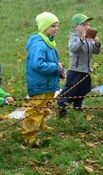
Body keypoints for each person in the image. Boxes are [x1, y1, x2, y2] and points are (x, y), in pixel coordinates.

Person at [22, 12, 63, 145]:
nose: (56, 28)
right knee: (35, 110)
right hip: (39, 84)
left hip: (48, 83)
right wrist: (55, 67)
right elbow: (37, 64)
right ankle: (29, 135)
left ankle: (41, 125)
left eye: (57, 26)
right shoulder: (39, 44)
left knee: (45, 106)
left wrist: (59, 70)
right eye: (53, 26)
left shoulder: (49, 42)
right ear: (44, 27)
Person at [57, 13, 101, 117]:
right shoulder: (74, 38)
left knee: (84, 89)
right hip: (76, 70)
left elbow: (96, 51)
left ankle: (78, 104)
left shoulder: (89, 38)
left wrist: (97, 44)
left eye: (88, 24)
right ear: (75, 27)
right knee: (71, 88)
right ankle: (62, 103)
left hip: (86, 70)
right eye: (84, 25)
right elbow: (73, 48)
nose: (87, 27)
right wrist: (82, 39)